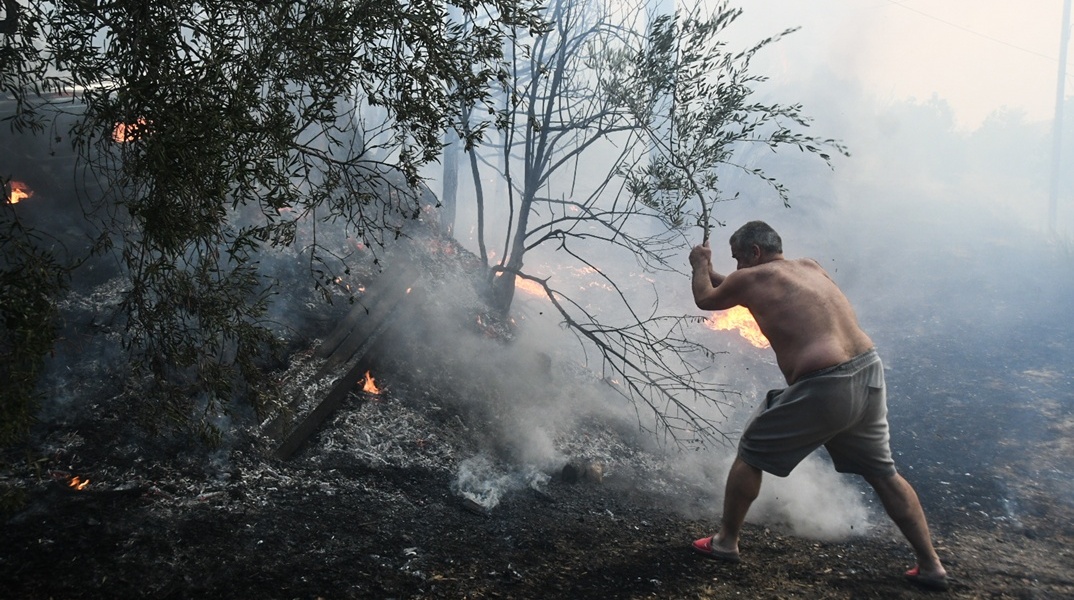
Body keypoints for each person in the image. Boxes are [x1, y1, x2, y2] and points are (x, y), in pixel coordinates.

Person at [688, 220, 949, 591]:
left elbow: (706, 298)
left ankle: (725, 543)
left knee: (751, 452)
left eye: (738, 260)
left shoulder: (752, 278)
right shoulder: (809, 267)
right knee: (883, 473)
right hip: (868, 372)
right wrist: (718, 272)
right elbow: (737, 285)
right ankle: (931, 565)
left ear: (755, 253)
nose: (737, 268)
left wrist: (700, 264)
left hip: (827, 384)